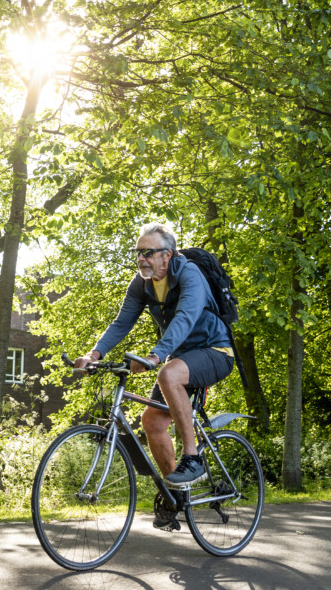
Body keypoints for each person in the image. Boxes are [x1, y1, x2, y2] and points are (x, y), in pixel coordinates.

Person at [73, 223, 235, 531]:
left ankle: (193, 459)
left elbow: (186, 317)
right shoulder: (142, 283)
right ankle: (176, 495)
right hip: (181, 357)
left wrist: (156, 355)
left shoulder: (189, 275)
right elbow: (122, 322)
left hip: (215, 351)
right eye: (138, 252)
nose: (141, 258)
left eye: (148, 252)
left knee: (168, 373)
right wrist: (94, 355)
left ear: (167, 255)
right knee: (152, 422)